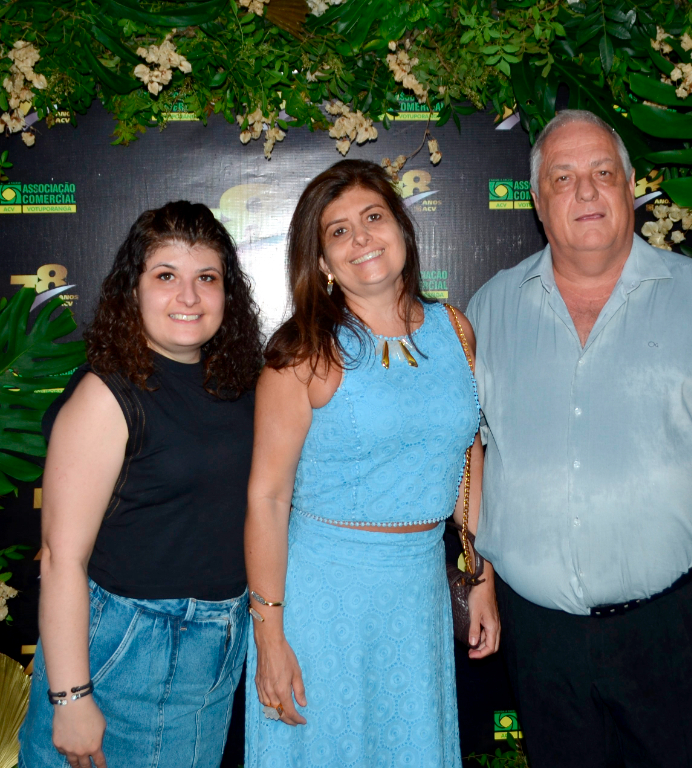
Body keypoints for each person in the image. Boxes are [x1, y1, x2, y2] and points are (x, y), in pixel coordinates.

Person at [466, 109, 692, 768]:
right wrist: (480, 576)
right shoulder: (492, 309)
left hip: (664, 631)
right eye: (563, 178)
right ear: (539, 206)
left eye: (603, 173)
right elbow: (473, 453)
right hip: (538, 636)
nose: (586, 191)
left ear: (630, 189)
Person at [244, 158, 499, 768]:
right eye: (338, 231)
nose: (360, 238)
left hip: (418, 595)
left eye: (373, 217)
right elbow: (267, 499)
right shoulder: (304, 352)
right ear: (323, 262)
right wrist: (270, 632)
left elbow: (468, 454)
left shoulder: (454, 329)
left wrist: (480, 573)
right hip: (323, 597)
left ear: (402, 231)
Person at [18, 201, 262, 768]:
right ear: (133, 291)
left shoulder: (242, 387)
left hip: (218, 648)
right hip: (124, 650)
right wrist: (72, 699)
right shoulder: (107, 395)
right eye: (166, 277)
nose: (189, 297)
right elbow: (60, 558)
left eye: (207, 278)